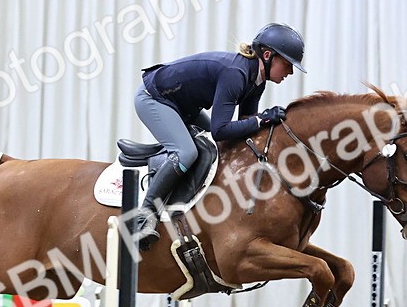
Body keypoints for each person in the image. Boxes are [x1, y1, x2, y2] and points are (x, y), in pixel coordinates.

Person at [131, 22, 306, 250]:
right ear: (267, 55)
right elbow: (221, 130)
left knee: (216, 148)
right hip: (154, 98)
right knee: (186, 153)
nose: (290, 72)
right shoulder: (236, 74)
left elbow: (244, 127)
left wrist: (263, 123)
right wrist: (261, 119)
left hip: (183, 106)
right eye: (287, 64)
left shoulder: (257, 82)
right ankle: (143, 219)